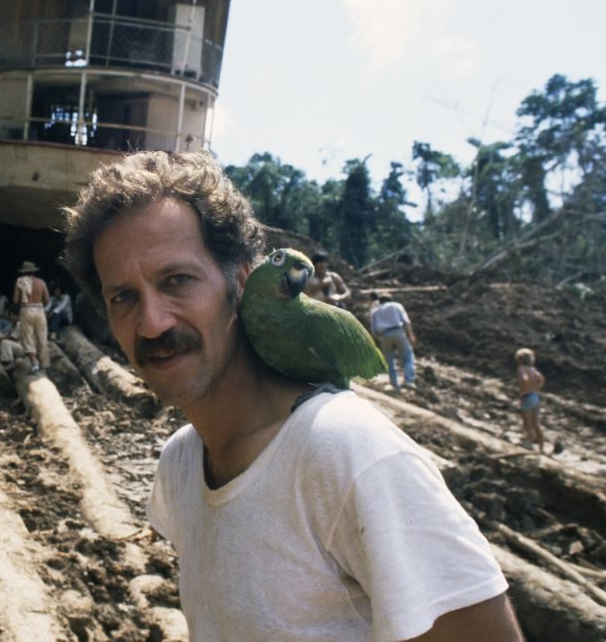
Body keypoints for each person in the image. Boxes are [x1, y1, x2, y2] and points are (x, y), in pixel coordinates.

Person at [61, 150, 519, 641]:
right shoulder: (181, 465)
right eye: (123, 297)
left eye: (177, 280)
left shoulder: (347, 452)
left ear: (239, 280)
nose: (152, 322)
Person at [370, 294, 417, 392]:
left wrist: (377, 340)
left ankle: (394, 384)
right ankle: (409, 381)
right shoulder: (396, 305)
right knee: (408, 357)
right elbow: (406, 321)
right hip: (398, 332)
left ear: (380, 301)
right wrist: (411, 335)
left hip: (383, 335)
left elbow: (373, 329)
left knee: (389, 360)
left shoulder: (375, 311)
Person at [12, 260, 50, 373]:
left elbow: (15, 300)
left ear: (24, 272)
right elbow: (47, 300)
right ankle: (44, 365)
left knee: (28, 337)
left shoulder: (20, 281)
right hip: (39, 310)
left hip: (26, 309)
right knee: (42, 337)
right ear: (34, 272)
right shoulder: (41, 282)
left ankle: (34, 364)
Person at [515, 348, 551, 455]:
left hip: (527, 397)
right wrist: (535, 388)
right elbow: (541, 379)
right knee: (536, 423)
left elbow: (524, 379)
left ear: (520, 359)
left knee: (527, 423)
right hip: (535, 396)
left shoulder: (521, 368)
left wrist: (524, 390)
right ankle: (541, 447)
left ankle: (529, 443)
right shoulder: (533, 369)